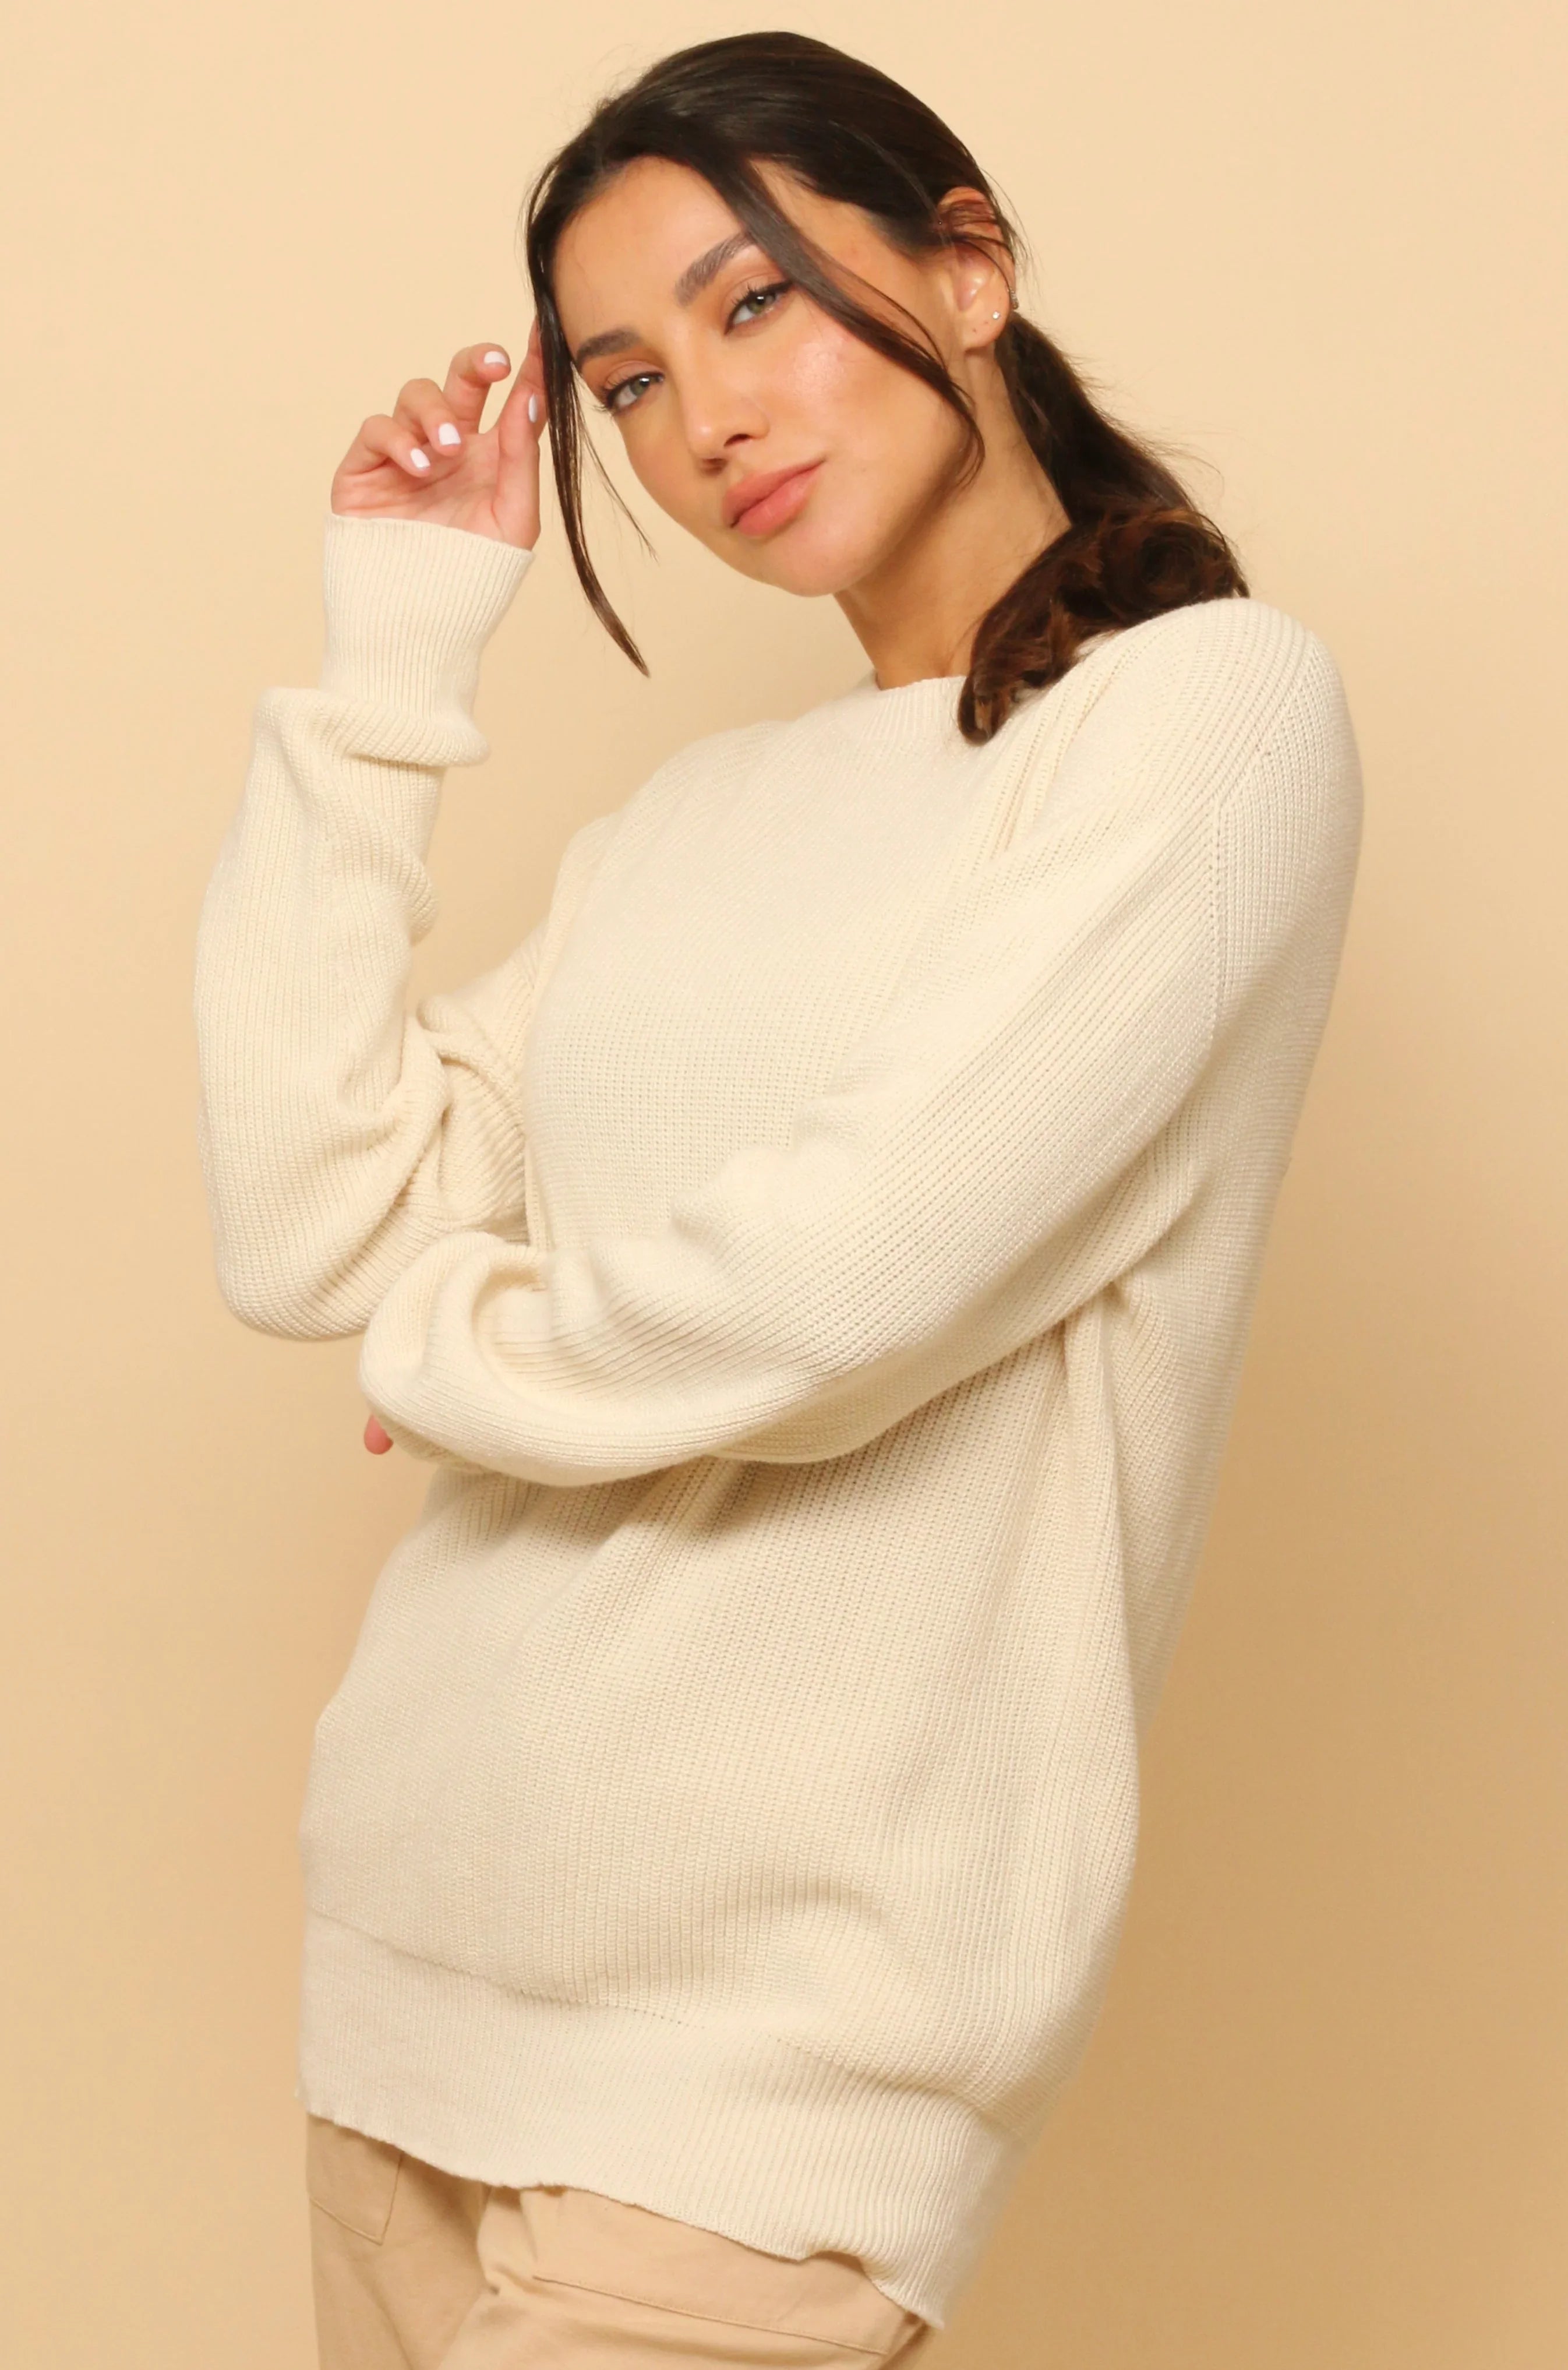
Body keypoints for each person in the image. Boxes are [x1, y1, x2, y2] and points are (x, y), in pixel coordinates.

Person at [193, 30, 1362, 2369]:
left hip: (769, 2067)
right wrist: (392, 658)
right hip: (414, 1994)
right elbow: (305, 1218)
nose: (699, 420)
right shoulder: (692, 827)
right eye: (622, 381)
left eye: (750, 308)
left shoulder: (1202, 722)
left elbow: (838, 1293)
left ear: (967, 262)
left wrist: (466, 1364)